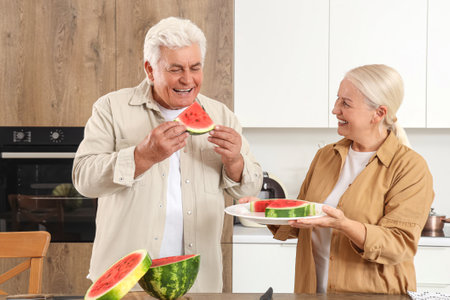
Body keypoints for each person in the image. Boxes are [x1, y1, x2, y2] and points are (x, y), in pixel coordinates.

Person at [72, 16, 263, 292]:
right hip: (127, 283)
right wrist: (142, 157)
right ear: (150, 70)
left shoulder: (221, 115)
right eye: (176, 69)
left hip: (198, 282)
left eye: (195, 67)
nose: (188, 79)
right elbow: (83, 179)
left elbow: (250, 187)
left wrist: (235, 161)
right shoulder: (111, 108)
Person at [240, 64, 434, 294]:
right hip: (313, 293)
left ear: (379, 113)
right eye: (337, 100)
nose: (335, 110)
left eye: (346, 103)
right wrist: (265, 210)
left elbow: (399, 245)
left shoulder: (410, 167)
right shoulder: (325, 156)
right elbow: (301, 222)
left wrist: (344, 225)